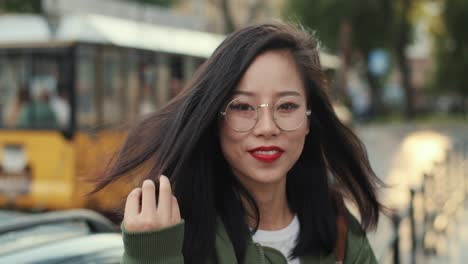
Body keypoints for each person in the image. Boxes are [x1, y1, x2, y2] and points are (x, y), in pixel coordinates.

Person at [94, 23, 383, 264]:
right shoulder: (173, 238)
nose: (267, 128)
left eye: (286, 106)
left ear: (309, 119)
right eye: (243, 107)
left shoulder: (340, 231)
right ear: (214, 119)